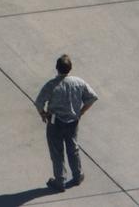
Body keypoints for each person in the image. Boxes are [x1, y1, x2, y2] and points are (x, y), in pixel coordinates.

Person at [36, 53, 98, 191]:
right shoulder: (79, 82)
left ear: (57, 68)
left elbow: (39, 102)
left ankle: (60, 181)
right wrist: (81, 112)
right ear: (70, 68)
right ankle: (77, 176)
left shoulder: (51, 85)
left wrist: (43, 113)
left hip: (55, 123)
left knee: (57, 152)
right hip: (73, 122)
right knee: (73, 149)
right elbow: (92, 98)